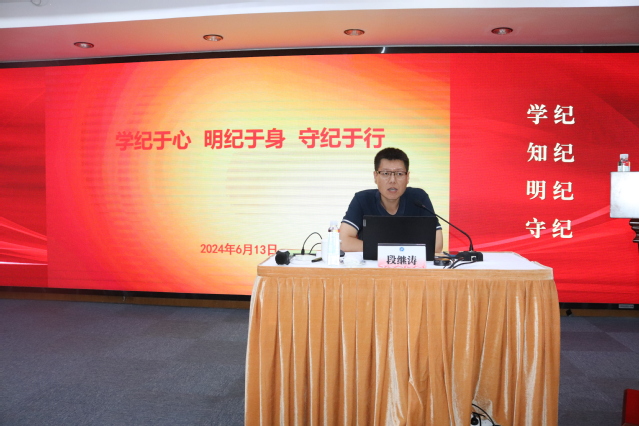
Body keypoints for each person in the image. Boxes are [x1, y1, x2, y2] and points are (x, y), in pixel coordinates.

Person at [340, 147, 443, 253]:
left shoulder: (419, 199)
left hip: (409, 263)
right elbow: (343, 242)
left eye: (399, 174)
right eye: (386, 173)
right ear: (375, 176)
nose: (392, 180)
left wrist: (385, 250)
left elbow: (437, 245)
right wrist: (393, 251)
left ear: (407, 177)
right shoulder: (362, 199)